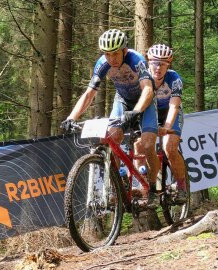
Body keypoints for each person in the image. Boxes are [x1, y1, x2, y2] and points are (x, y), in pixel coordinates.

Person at [60, 29, 160, 208]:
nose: (111, 59)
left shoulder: (136, 60)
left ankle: (152, 188)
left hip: (144, 102)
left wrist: (136, 111)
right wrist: (71, 117)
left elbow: (147, 89)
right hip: (122, 99)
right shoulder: (102, 64)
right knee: (112, 137)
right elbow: (90, 93)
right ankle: (119, 185)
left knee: (147, 144)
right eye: (107, 54)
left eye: (115, 53)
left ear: (124, 50)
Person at [147, 44, 187, 204]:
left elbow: (174, 105)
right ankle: (144, 184)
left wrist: (167, 126)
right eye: (155, 63)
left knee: (169, 147)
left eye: (163, 64)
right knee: (139, 145)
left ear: (168, 65)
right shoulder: (142, 79)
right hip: (151, 112)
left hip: (171, 113)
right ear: (148, 62)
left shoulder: (174, 79)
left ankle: (182, 186)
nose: (158, 67)